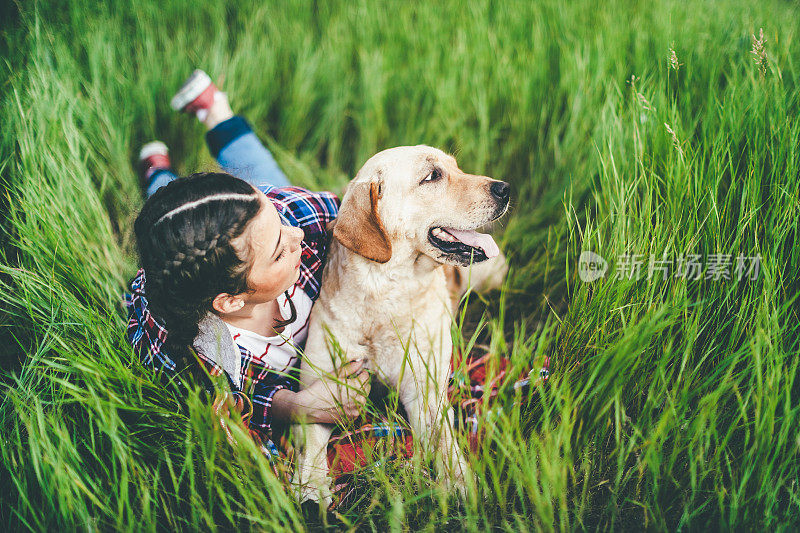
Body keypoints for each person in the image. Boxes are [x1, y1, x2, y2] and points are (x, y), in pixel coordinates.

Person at [126, 69, 547, 506]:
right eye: (277, 251)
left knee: (259, 178)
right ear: (230, 300)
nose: (299, 239)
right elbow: (230, 406)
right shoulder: (183, 345)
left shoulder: (301, 220)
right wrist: (293, 405)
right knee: (165, 197)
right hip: (222, 255)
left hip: (264, 210)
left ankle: (217, 111)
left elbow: (329, 216)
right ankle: (157, 170)